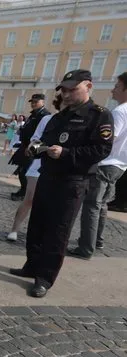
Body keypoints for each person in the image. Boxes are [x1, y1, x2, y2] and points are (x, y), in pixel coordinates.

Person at [9, 69, 114, 297]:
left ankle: (45, 278)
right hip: (47, 177)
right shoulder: (59, 117)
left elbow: (101, 150)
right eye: (63, 90)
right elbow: (45, 141)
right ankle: (32, 266)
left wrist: (66, 153)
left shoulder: (99, 116)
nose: (66, 95)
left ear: (88, 86)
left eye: (72, 90)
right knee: (37, 225)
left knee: (58, 231)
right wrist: (35, 148)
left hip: (72, 182)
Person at [68, 72, 127, 258]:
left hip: (105, 163)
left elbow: (108, 140)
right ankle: (97, 241)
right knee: (102, 205)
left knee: (92, 205)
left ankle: (85, 247)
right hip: (120, 165)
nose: (113, 89)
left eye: (117, 86)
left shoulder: (119, 111)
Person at [7, 95, 61, 242]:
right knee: (29, 198)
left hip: (62, 168)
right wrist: (46, 149)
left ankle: (43, 234)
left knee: (51, 203)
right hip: (39, 164)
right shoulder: (47, 119)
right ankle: (14, 229)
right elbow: (34, 140)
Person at [9, 95, 50, 201]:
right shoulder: (33, 114)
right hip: (25, 145)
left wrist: (35, 149)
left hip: (34, 148)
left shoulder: (44, 115)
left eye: (36, 102)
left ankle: (25, 193)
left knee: (25, 172)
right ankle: (24, 191)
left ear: (43, 102)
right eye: (32, 102)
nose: (33, 103)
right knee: (22, 170)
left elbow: (44, 135)